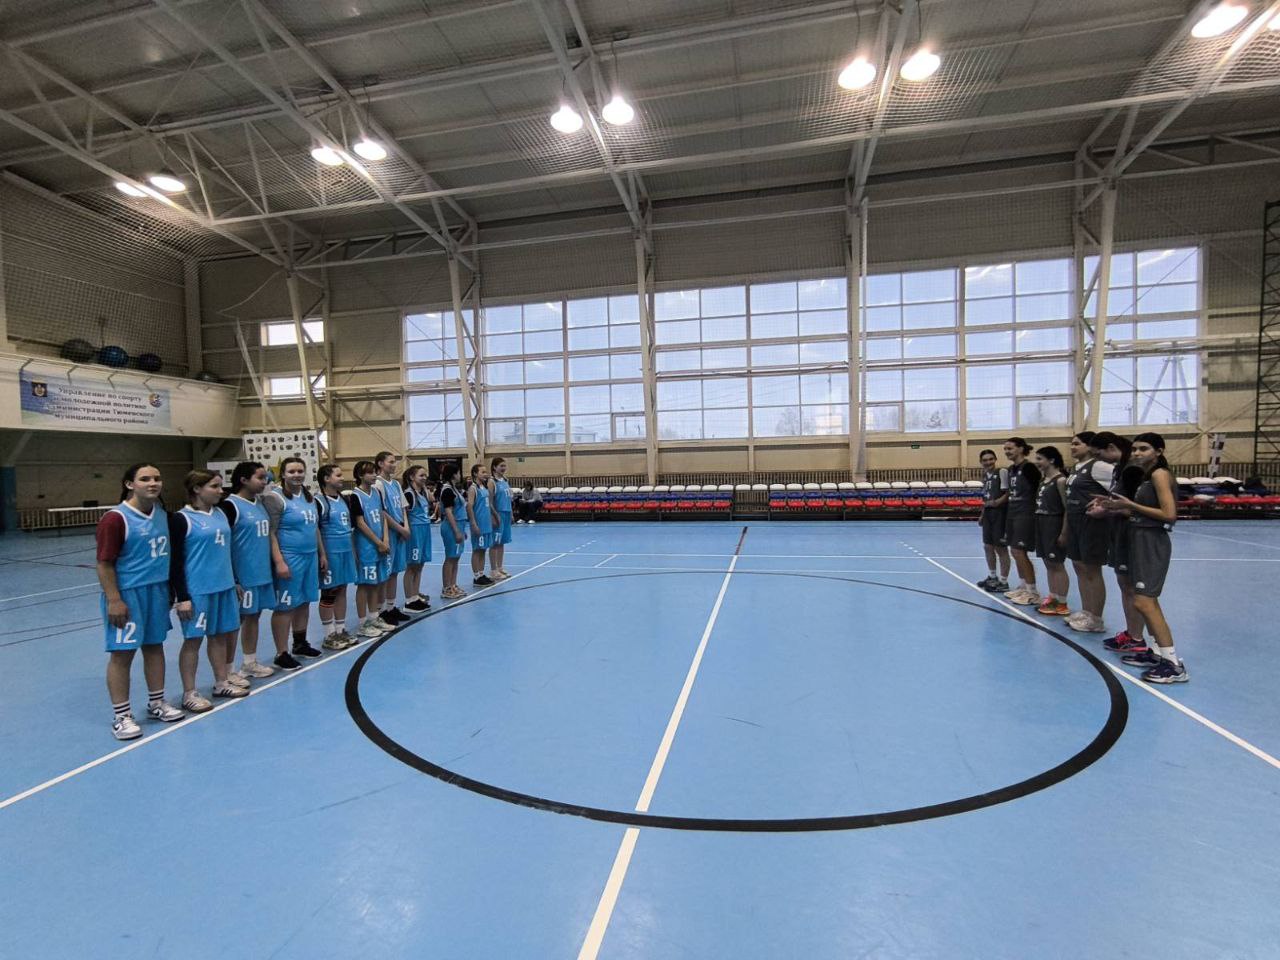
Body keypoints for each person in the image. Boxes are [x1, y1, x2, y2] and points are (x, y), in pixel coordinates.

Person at [95, 463, 184, 740]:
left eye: (157, 478)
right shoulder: (115, 519)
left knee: (155, 647)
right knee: (122, 654)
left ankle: (157, 702)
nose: (153, 483)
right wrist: (114, 599)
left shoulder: (162, 515)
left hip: (156, 591)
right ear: (129, 484)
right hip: (128, 594)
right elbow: (104, 564)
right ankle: (122, 716)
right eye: (145, 479)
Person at [1094, 433, 1188, 683]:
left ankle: (1174, 665)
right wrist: (1116, 506)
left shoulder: (1159, 474)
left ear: (1159, 451)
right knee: (1143, 600)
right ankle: (1157, 653)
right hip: (1139, 536)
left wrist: (1132, 506)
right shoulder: (1146, 476)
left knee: (1145, 602)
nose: (1137, 453)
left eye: (1144, 449)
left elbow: (1169, 514)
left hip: (1151, 540)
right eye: (1135, 449)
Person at [170, 470, 247, 711]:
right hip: (198, 590)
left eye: (220, 486)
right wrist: (182, 597)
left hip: (223, 586)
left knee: (220, 636)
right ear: (197, 489)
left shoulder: (221, 513)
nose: (220, 491)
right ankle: (189, 693)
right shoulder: (182, 519)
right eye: (214, 486)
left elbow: (227, 551)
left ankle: (221, 682)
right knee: (193, 641)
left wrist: (235, 580)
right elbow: (175, 562)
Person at [1087, 433, 1151, 648]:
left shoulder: (1133, 471)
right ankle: (1131, 633)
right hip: (1119, 532)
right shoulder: (1119, 469)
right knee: (1124, 585)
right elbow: (1121, 501)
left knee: (1132, 588)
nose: (1099, 460)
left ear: (1111, 447)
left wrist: (1108, 510)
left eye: (1099, 455)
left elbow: (1137, 509)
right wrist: (1106, 502)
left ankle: (1137, 638)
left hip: (1132, 534)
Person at [264, 457, 326, 670]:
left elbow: (315, 528)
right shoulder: (275, 498)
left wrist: (322, 554)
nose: (297, 475)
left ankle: (300, 643)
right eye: (291, 471)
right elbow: (271, 533)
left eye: (300, 471)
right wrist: (279, 561)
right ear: (283, 474)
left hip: (310, 556)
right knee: (286, 606)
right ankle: (281, 653)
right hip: (290, 557)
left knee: (304, 601)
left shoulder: (309, 498)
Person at [219, 461, 276, 681]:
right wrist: (233, 578)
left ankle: (249, 662)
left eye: (265, 477)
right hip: (242, 575)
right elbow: (223, 544)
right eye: (260, 477)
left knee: (254, 617)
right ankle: (227, 671)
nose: (265, 481)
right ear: (243, 480)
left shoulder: (259, 503)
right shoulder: (230, 506)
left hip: (261, 572)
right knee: (235, 622)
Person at [1063, 432, 1112, 633]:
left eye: (1077, 444)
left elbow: (1120, 489)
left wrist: (1105, 506)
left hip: (1091, 523)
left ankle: (1096, 619)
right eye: (1071, 444)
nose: (1072, 447)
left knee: (1092, 570)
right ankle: (1086, 611)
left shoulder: (1099, 466)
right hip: (1075, 521)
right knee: (1079, 566)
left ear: (1090, 446)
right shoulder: (1076, 468)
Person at [348, 460, 395, 639]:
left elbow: (382, 515)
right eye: (370, 473)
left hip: (380, 543)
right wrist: (377, 542)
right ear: (360, 475)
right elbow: (360, 523)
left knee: (376, 582)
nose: (374, 475)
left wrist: (386, 538)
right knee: (364, 584)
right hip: (366, 545)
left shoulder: (376, 492)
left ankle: (374, 617)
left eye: (375, 472)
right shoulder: (355, 496)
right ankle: (362, 624)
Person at [316, 464, 358, 650]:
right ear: (326, 479)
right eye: (338, 475)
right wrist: (322, 554)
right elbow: (316, 530)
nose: (342, 478)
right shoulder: (319, 501)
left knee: (342, 589)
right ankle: (329, 634)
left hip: (345, 550)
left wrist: (353, 551)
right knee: (329, 592)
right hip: (330, 551)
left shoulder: (342, 499)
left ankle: (340, 629)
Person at [1002, 437, 1042, 606]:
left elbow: (1039, 489)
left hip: (1025, 514)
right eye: (1005, 449)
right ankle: (1023, 586)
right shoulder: (1011, 469)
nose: (1007, 451)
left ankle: (1033, 592)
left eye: (1010, 448)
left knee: (1020, 551)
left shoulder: (1029, 468)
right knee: (1014, 551)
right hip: (1013, 513)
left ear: (1020, 449)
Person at [373, 451, 411, 626]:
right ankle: (380, 611)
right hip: (388, 533)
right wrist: (399, 528)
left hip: (399, 532)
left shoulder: (395, 484)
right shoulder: (378, 484)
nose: (394, 465)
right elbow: (382, 512)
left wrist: (406, 527)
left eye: (395, 462)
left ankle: (391, 606)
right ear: (380, 464)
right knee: (385, 573)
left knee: (394, 571)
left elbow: (403, 507)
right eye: (391, 462)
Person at [1032, 446, 1070, 616]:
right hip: (1041, 522)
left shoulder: (1060, 480)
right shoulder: (1043, 480)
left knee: (1057, 564)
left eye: (1040, 458)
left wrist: (1064, 532)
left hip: (1054, 523)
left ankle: (1062, 602)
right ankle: (1053, 597)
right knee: (1048, 563)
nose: (1037, 462)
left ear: (1052, 460)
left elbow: (1067, 508)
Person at [975, 448, 1011, 592]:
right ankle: (992, 576)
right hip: (988, 514)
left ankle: (1004, 581)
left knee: (1000, 548)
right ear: (981, 462)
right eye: (985, 460)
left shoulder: (1002, 472)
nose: (988, 462)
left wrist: (997, 502)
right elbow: (986, 498)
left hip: (1000, 514)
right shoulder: (985, 476)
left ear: (995, 459)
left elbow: (1008, 492)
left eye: (991, 459)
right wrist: (982, 514)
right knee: (988, 546)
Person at [402, 464, 434, 613]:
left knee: (420, 565)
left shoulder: (422, 492)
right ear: (411, 477)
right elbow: (404, 515)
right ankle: (409, 600)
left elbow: (432, 499)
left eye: (425, 475)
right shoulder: (409, 494)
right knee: (412, 566)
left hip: (425, 529)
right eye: (421, 475)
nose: (424, 478)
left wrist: (424, 487)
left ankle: (415, 597)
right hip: (415, 531)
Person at [438, 462, 468, 599]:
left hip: (459, 525)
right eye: (458, 473)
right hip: (451, 527)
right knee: (450, 558)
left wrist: (462, 530)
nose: (460, 475)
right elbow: (448, 512)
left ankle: (453, 584)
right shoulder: (447, 490)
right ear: (453, 475)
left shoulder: (454, 489)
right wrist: (456, 530)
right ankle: (446, 588)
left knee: (456, 557)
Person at [467, 463, 497, 588]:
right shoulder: (473, 488)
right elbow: (469, 506)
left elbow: (487, 505)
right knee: (477, 550)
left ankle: (481, 573)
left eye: (486, 472)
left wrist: (493, 517)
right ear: (475, 473)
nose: (486, 474)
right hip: (478, 524)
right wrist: (473, 523)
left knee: (483, 549)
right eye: (482, 472)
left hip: (486, 524)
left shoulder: (484, 488)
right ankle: (476, 577)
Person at [488, 457, 513, 580]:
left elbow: (508, 499)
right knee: (495, 543)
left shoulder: (505, 480)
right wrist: (494, 516)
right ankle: (493, 570)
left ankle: (500, 567)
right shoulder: (492, 482)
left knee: (502, 542)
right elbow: (490, 502)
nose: (503, 468)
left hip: (506, 513)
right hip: (498, 514)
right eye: (501, 466)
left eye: (504, 466)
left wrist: (511, 514)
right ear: (494, 467)